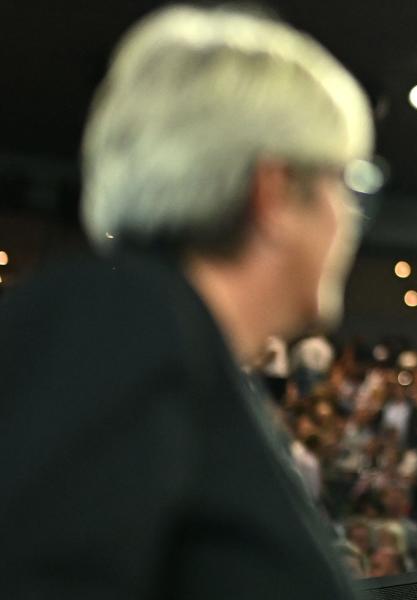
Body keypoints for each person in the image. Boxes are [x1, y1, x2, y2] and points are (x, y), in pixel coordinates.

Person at [0, 5, 376, 598]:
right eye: (348, 184)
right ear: (275, 194)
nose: (350, 219)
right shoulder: (126, 321)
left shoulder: (172, 348)